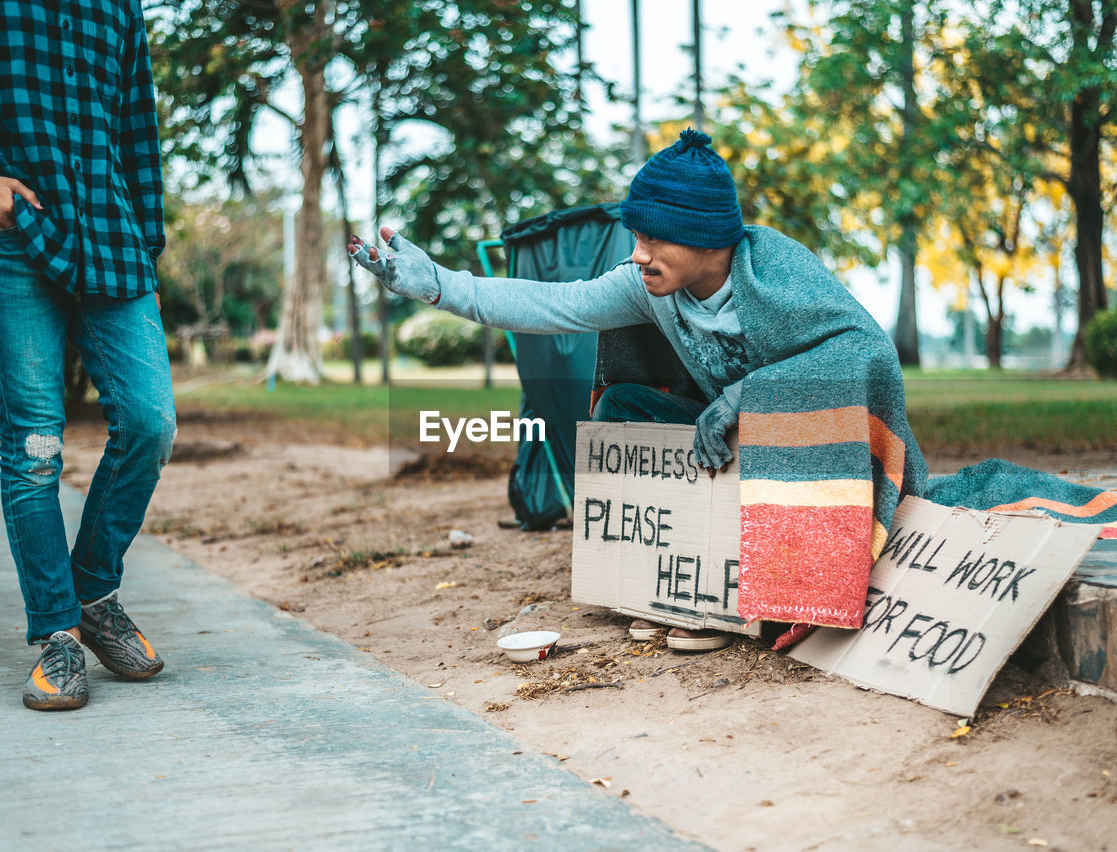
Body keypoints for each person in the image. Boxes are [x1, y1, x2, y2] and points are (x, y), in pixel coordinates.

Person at [351, 128, 929, 652]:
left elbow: (864, 353)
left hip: (808, 449)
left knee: (764, 415)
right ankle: (678, 585)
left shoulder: (774, 271)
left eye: (653, 239)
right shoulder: (648, 284)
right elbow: (560, 305)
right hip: (728, 445)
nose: (638, 254)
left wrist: (745, 396)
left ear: (704, 238)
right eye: (636, 236)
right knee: (622, 407)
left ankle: (730, 603)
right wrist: (439, 286)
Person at [0, 0, 175, 710]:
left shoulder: (118, 7)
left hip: (111, 232)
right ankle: (58, 634)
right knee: (36, 444)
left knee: (150, 421)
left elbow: (136, 122)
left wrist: (148, 237)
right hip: (15, 232)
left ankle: (93, 589)